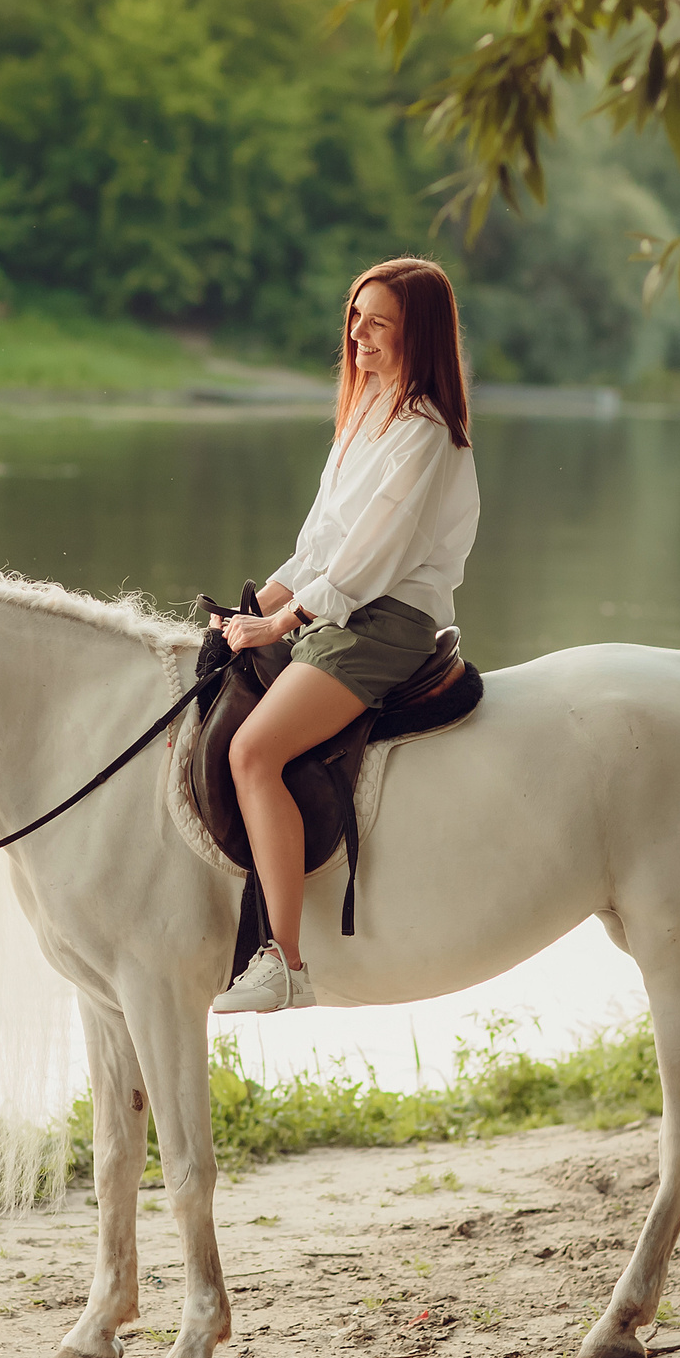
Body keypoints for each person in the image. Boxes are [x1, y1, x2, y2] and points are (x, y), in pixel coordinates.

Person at [210, 258, 481, 1014]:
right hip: (334, 603)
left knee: (253, 751)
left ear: (416, 333)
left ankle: (284, 961)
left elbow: (370, 560)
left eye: (379, 323)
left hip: (382, 619)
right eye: (355, 317)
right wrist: (248, 607)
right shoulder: (366, 413)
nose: (358, 335)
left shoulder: (425, 434)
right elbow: (319, 545)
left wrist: (283, 621)